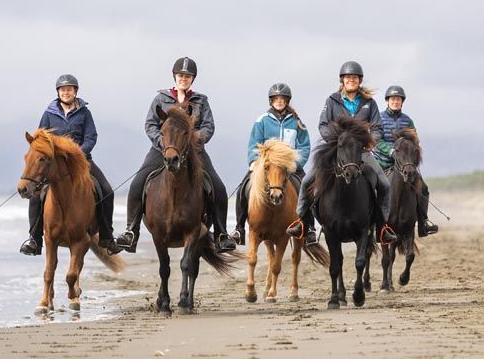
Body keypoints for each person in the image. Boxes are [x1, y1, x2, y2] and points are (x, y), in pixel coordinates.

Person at [115, 57, 236, 253]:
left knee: (218, 186)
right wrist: (163, 143)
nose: (184, 79)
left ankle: (221, 234)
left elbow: (208, 126)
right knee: (138, 183)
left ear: (192, 79)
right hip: (163, 149)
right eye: (181, 75)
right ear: (175, 76)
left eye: (187, 76)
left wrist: (196, 139)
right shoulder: (161, 99)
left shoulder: (200, 101)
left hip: (194, 151)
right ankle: (131, 231)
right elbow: (150, 125)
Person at [286, 61, 397, 245]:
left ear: (359, 80)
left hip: (361, 152)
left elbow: (377, 127)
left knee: (384, 184)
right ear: (342, 80)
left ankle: (382, 227)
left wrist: (370, 142)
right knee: (307, 181)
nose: (351, 80)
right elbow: (322, 125)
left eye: (354, 78)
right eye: (348, 78)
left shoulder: (369, 103)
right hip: (337, 151)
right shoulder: (332, 100)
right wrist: (336, 140)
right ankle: (302, 223)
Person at [20, 74, 120, 255]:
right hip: (55, 165)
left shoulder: (84, 113)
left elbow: (91, 137)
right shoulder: (49, 114)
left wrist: (78, 154)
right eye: (63, 90)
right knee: (36, 195)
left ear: (75, 92)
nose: (66, 92)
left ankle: (107, 236)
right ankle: (34, 239)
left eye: (69, 89)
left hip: (82, 160)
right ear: (58, 92)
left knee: (106, 190)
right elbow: (40, 139)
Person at [231, 83, 311, 244]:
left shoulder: (297, 121)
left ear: (287, 101)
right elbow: (254, 144)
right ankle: (239, 228)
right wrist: (254, 162)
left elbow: (304, 145)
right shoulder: (262, 121)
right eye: (276, 98)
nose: (279, 101)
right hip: (266, 167)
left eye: (282, 98)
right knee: (243, 187)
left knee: (308, 189)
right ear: (271, 101)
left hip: (290, 166)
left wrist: (296, 163)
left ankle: (309, 229)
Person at [373, 85, 438, 237]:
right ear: (387, 101)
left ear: (402, 102)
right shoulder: (379, 118)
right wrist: (390, 151)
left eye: (398, 99)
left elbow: (415, 141)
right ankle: (372, 224)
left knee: (423, 188)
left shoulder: (408, 121)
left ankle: (423, 222)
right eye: (392, 99)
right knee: (371, 187)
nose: (395, 101)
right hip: (383, 162)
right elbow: (376, 139)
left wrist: (410, 153)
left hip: (404, 164)